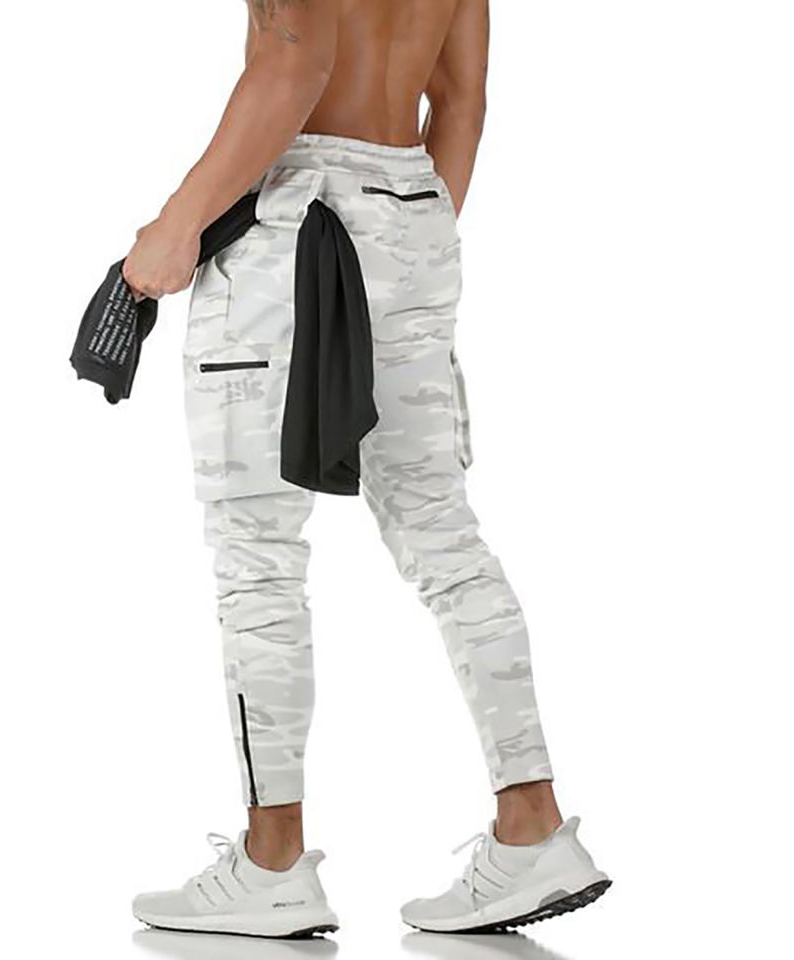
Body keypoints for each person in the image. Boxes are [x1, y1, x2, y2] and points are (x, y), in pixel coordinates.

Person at [124, 0, 609, 938]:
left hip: (291, 225)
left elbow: (293, 64)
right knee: (444, 537)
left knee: (257, 553)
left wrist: (175, 225)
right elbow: (462, 99)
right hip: (415, 208)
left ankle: (271, 864)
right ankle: (531, 825)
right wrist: (404, 245)